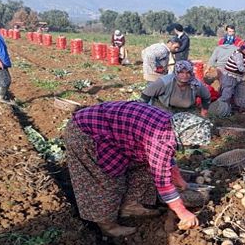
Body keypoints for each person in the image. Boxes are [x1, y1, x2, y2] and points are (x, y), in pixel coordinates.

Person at [63, 101, 199, 237]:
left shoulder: (172, 124)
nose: (189, 146)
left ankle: (130, 206)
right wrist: (182, 212)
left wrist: (178, 178)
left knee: (143, 167)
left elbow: (167, 157)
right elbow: (163, 182)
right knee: (104, 181)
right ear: (181, 136)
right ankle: (107, 226)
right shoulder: (160, 139)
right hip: (86, 134)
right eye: (189, 143)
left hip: (113, 134)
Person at [141, 60, 212, 116]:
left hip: (185, 112)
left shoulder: (196, 84)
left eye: (188, 73)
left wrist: (204, 110)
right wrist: (143, 111)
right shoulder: (165, 82)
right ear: (176, 72)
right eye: (181, 72)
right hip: (163, 109)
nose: (185, 75)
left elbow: (206, 96)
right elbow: (146, 94)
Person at [218, 41, 245, 114]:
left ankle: (241, 108)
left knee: (242, 93)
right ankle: (222, 110)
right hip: (230, 75)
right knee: (227, 92)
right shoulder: (238, 55)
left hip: (240, 76)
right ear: (242, 49)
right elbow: (241, 68)